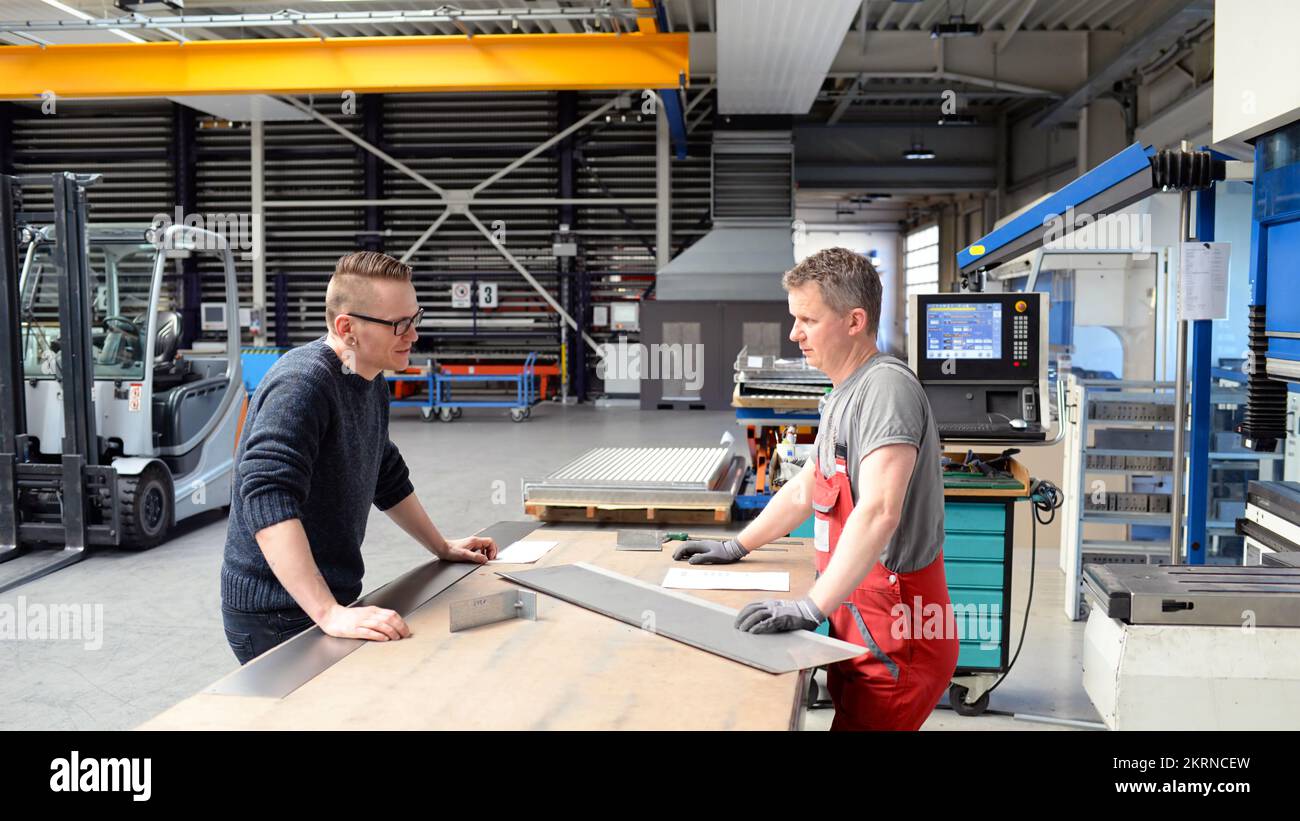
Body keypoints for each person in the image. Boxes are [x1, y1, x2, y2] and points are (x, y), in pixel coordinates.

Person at [673, 247, 958, 731]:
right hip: (857, 624)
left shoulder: (885, 390)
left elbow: (880, 512)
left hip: (898, 638)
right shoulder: (842, 393)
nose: (794, 333)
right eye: (794, 317)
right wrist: (735, 545)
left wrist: (810, 607)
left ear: (854, 321)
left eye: (808, 319)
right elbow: (806, 488)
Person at [220, 251, 497, 665]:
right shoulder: (303, 385)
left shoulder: (368, 378)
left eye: (415, 318)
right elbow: (265, 495)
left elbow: (385, 472)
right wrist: (327, 612)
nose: (414, 334)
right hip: (277, 611)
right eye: (400, 325)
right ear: (346, 328)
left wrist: (441, 546)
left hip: (328, 598)